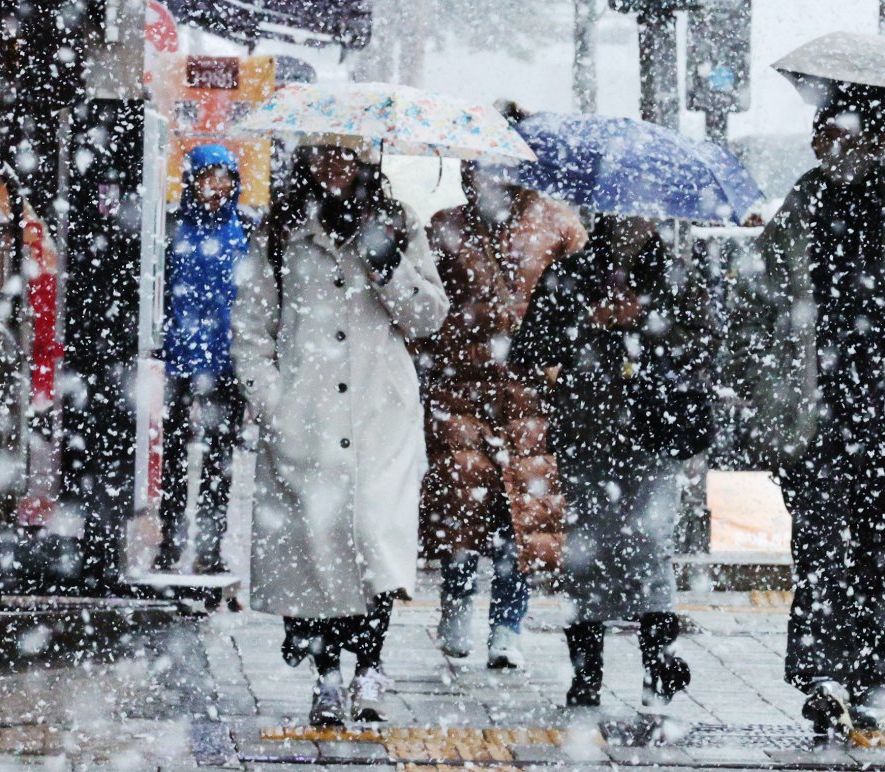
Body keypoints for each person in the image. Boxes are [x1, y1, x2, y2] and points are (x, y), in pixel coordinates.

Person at [728, 96, 885, 737]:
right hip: (817, 412)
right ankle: (822, 673)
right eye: (816, 129)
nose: (817, 141)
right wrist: (768, 390)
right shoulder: (802, 208)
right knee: (821, 547)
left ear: (864, 135)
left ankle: (872, 675)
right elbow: (753, 300)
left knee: (884, 550)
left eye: (828, 128)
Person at [231, 139, 448, 726]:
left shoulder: (398, 224)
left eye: (346, 155)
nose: (334, 165)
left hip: (382, 417)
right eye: (323, 154)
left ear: (366, 161)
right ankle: (327, 674)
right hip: (307, 421)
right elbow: (251, 330)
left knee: (376, 539)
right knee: (316, 553)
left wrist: (386, 262)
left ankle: (370, 664)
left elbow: (430, 315)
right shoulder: (280, 231)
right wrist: (272, 402)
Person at [511, 214, 713, 708]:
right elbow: (527, 350)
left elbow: (704, 347)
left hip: (655, 431)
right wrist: (587, 323)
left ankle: (658, 664)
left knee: (650, 540)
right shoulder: (572, 273)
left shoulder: (676, 275)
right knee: (589, 551)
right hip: (588, 432)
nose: (632, 222)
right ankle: (587, 675)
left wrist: (647, 325)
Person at [419, 161, 586, 669]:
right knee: (461, 508)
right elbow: (427, 303)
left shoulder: (558, 226)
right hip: (461, 389)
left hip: (529, 395)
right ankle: (456, 605)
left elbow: (576, 300)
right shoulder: (446, 226)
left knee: (520, 517)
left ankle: (508, 627)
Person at [154, 144, 252, 574]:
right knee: (174, 456)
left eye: (224, 178)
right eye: (207, 178)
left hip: (226, 360)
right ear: (191, 181)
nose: (216, 188)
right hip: (179, 358)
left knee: (219, 460)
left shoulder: (246, 229)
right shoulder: (173, 227)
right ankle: (170, 540)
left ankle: (211, 547)